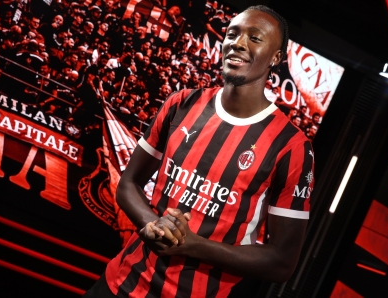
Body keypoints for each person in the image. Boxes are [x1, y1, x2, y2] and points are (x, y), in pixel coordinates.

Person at [88, 5, 315, 298]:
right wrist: (153, 225)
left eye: (255, 38)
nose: (238, 43)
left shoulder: (292, 146)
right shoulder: (180, 104)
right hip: (118, 284)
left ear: (276, 57)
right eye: (233, 34)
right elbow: (128, 183)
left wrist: (195, 245)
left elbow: (282, 263)